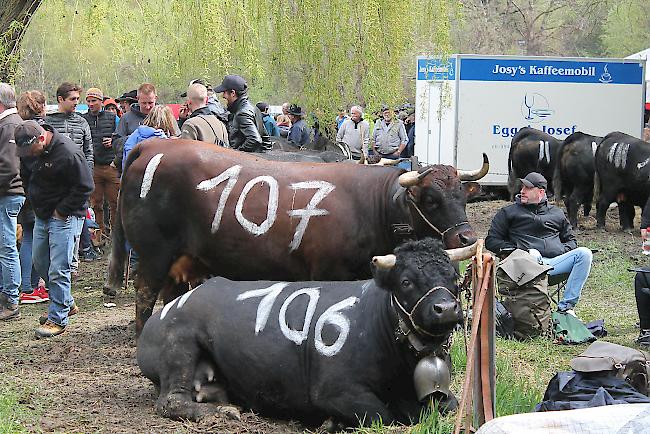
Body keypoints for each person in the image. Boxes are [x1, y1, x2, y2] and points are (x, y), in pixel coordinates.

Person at [15, 120, 94, 338]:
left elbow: (85, 186)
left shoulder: (68, 152)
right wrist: (32, 202)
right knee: (40, 262)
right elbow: (26, 177)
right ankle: (66, 303)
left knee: (58, 267)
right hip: (42, 214)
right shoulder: (29, 151)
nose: (27, 155)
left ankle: (57, 317)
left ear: (41, 138)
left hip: (66, 216)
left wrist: (62, 210)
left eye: (30, 150)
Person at [485, 172, 592, 316]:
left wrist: (561, 249)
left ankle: (566, 308)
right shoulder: (508, 212)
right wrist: (519, 252)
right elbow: (491, 241)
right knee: (533, 254)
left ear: (541, 192)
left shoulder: (556, 213)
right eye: (522, 187)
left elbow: (571, 241)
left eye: (528, 188)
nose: (522, 191)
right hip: (525, 267)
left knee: (584, 253)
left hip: (553, 265)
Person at [16, 90, 48, 304]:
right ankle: (30, 284)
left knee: (29, 235)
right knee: (35, 237)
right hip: (39, 192)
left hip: (23, 190)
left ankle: (28, 284)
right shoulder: (40, 131)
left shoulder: (18, 130)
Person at [81, 87, 118, 254]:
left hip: (111, 165)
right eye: (88, 101)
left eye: (93, 101)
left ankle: (117, 236)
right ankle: (99, 236)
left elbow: (120, 136)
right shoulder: (83, 119)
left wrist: (113, 141)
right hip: (94, 166)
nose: (90, 104)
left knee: (115, 202)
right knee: (96, 203)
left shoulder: (112, 117)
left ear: (101, 102)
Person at [0, 84, 26, 321]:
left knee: (6, 247)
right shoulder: (11, 123)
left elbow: (8, 167)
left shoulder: (8, 125)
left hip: (7, 194)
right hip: (9, 192)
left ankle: (11, 300)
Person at [215, 74, 270, 152]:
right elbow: (266, 140)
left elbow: (255, 139)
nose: (223, 96)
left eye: (224, 92)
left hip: (245, 161)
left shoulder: (242, 113)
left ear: (233, 93)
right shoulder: (254, 108)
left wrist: (236, 153)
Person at [122, 105, 176, 173]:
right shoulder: (163, 139)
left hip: (131, 176)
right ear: (168, 120)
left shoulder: (136, 133)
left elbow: (127, 155)